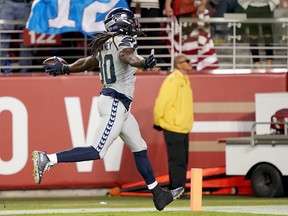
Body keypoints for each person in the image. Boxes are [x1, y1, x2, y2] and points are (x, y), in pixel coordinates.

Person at [32, 7, 184, 211]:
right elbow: (127, 56)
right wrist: (143, 62)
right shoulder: (123, 42)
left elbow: (88, 62)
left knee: (140, 148)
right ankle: (48, 158)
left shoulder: (106, 43)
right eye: (131, 20)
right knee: (97, 151)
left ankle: (158, 194)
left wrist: (66, 68)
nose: (135, 24)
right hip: (115, 102)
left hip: (121, 105)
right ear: (123, 22)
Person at [153, 54, 194, 194]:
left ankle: (176, 189)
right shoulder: (173, 80)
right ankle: (178, 190)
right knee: (177, 161)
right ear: (178, 64)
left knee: (181, 161)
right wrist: (158, 121)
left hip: (182, 127)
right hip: (173, 127)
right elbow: (162, 102)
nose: (190, 63)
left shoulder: (184, 79)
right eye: (186, 61)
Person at [237, 0, 280, 69]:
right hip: (251, 7)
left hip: (266, 7)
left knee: (267, 35)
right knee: (253, 35)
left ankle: (269, 63)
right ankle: (256, 64)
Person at [0, 0, 33, 73]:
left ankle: (25, 70)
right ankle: (1, 68)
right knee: (3, 37)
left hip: (26, 4)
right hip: (7, 3)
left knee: (26, 38)